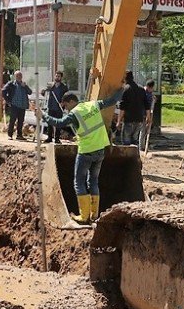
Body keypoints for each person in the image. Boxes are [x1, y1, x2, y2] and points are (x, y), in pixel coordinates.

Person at [41, 86, 124, 224]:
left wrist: (43, 115)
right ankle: (94, 215)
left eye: (66, 106)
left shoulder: (75, 113)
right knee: (93, 181)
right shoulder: (93, 105)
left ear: (71, 101)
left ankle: (84, 216)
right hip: (100, 150)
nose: (66, 109)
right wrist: (121, 87)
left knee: (79, 182)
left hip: (86, 151)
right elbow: (113, 100)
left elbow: (59, 123)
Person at [116, 71, 149, 147]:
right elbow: (147, 104)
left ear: (125, 78)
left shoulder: (125, 89)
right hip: (139, 119)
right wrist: (148, 117)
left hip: (129, 120)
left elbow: (122, 107)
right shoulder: (141, 89)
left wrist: (118, 121)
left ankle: (127, 158)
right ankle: (134, 157)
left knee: (126, 143)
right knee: (134, 142)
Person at [2, 70, 32, 140]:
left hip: (22, 106)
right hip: (14, 105)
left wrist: (25, 86)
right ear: (15, 77)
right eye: (18, 76)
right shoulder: (11, 84)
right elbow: (3, 91)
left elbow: (30, 92)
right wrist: (8, 101)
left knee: (21, 121)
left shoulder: (24, 85)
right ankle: (10, 135)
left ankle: (19, 135)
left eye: (20, 76)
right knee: (12, 120)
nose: (19, 77)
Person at [42, 71, 68, 144]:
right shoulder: (51, 85)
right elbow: (44, 92)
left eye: (58, 76)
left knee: (58, 124)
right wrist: (43, 91)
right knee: (49, 123)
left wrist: (63, 103)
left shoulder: (64, 87)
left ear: (61, 77)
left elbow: (67, 96)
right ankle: (49, 138)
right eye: (56, 76)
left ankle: (57, 139)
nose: (57, 77)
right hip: (51, 107)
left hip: (59, 108)